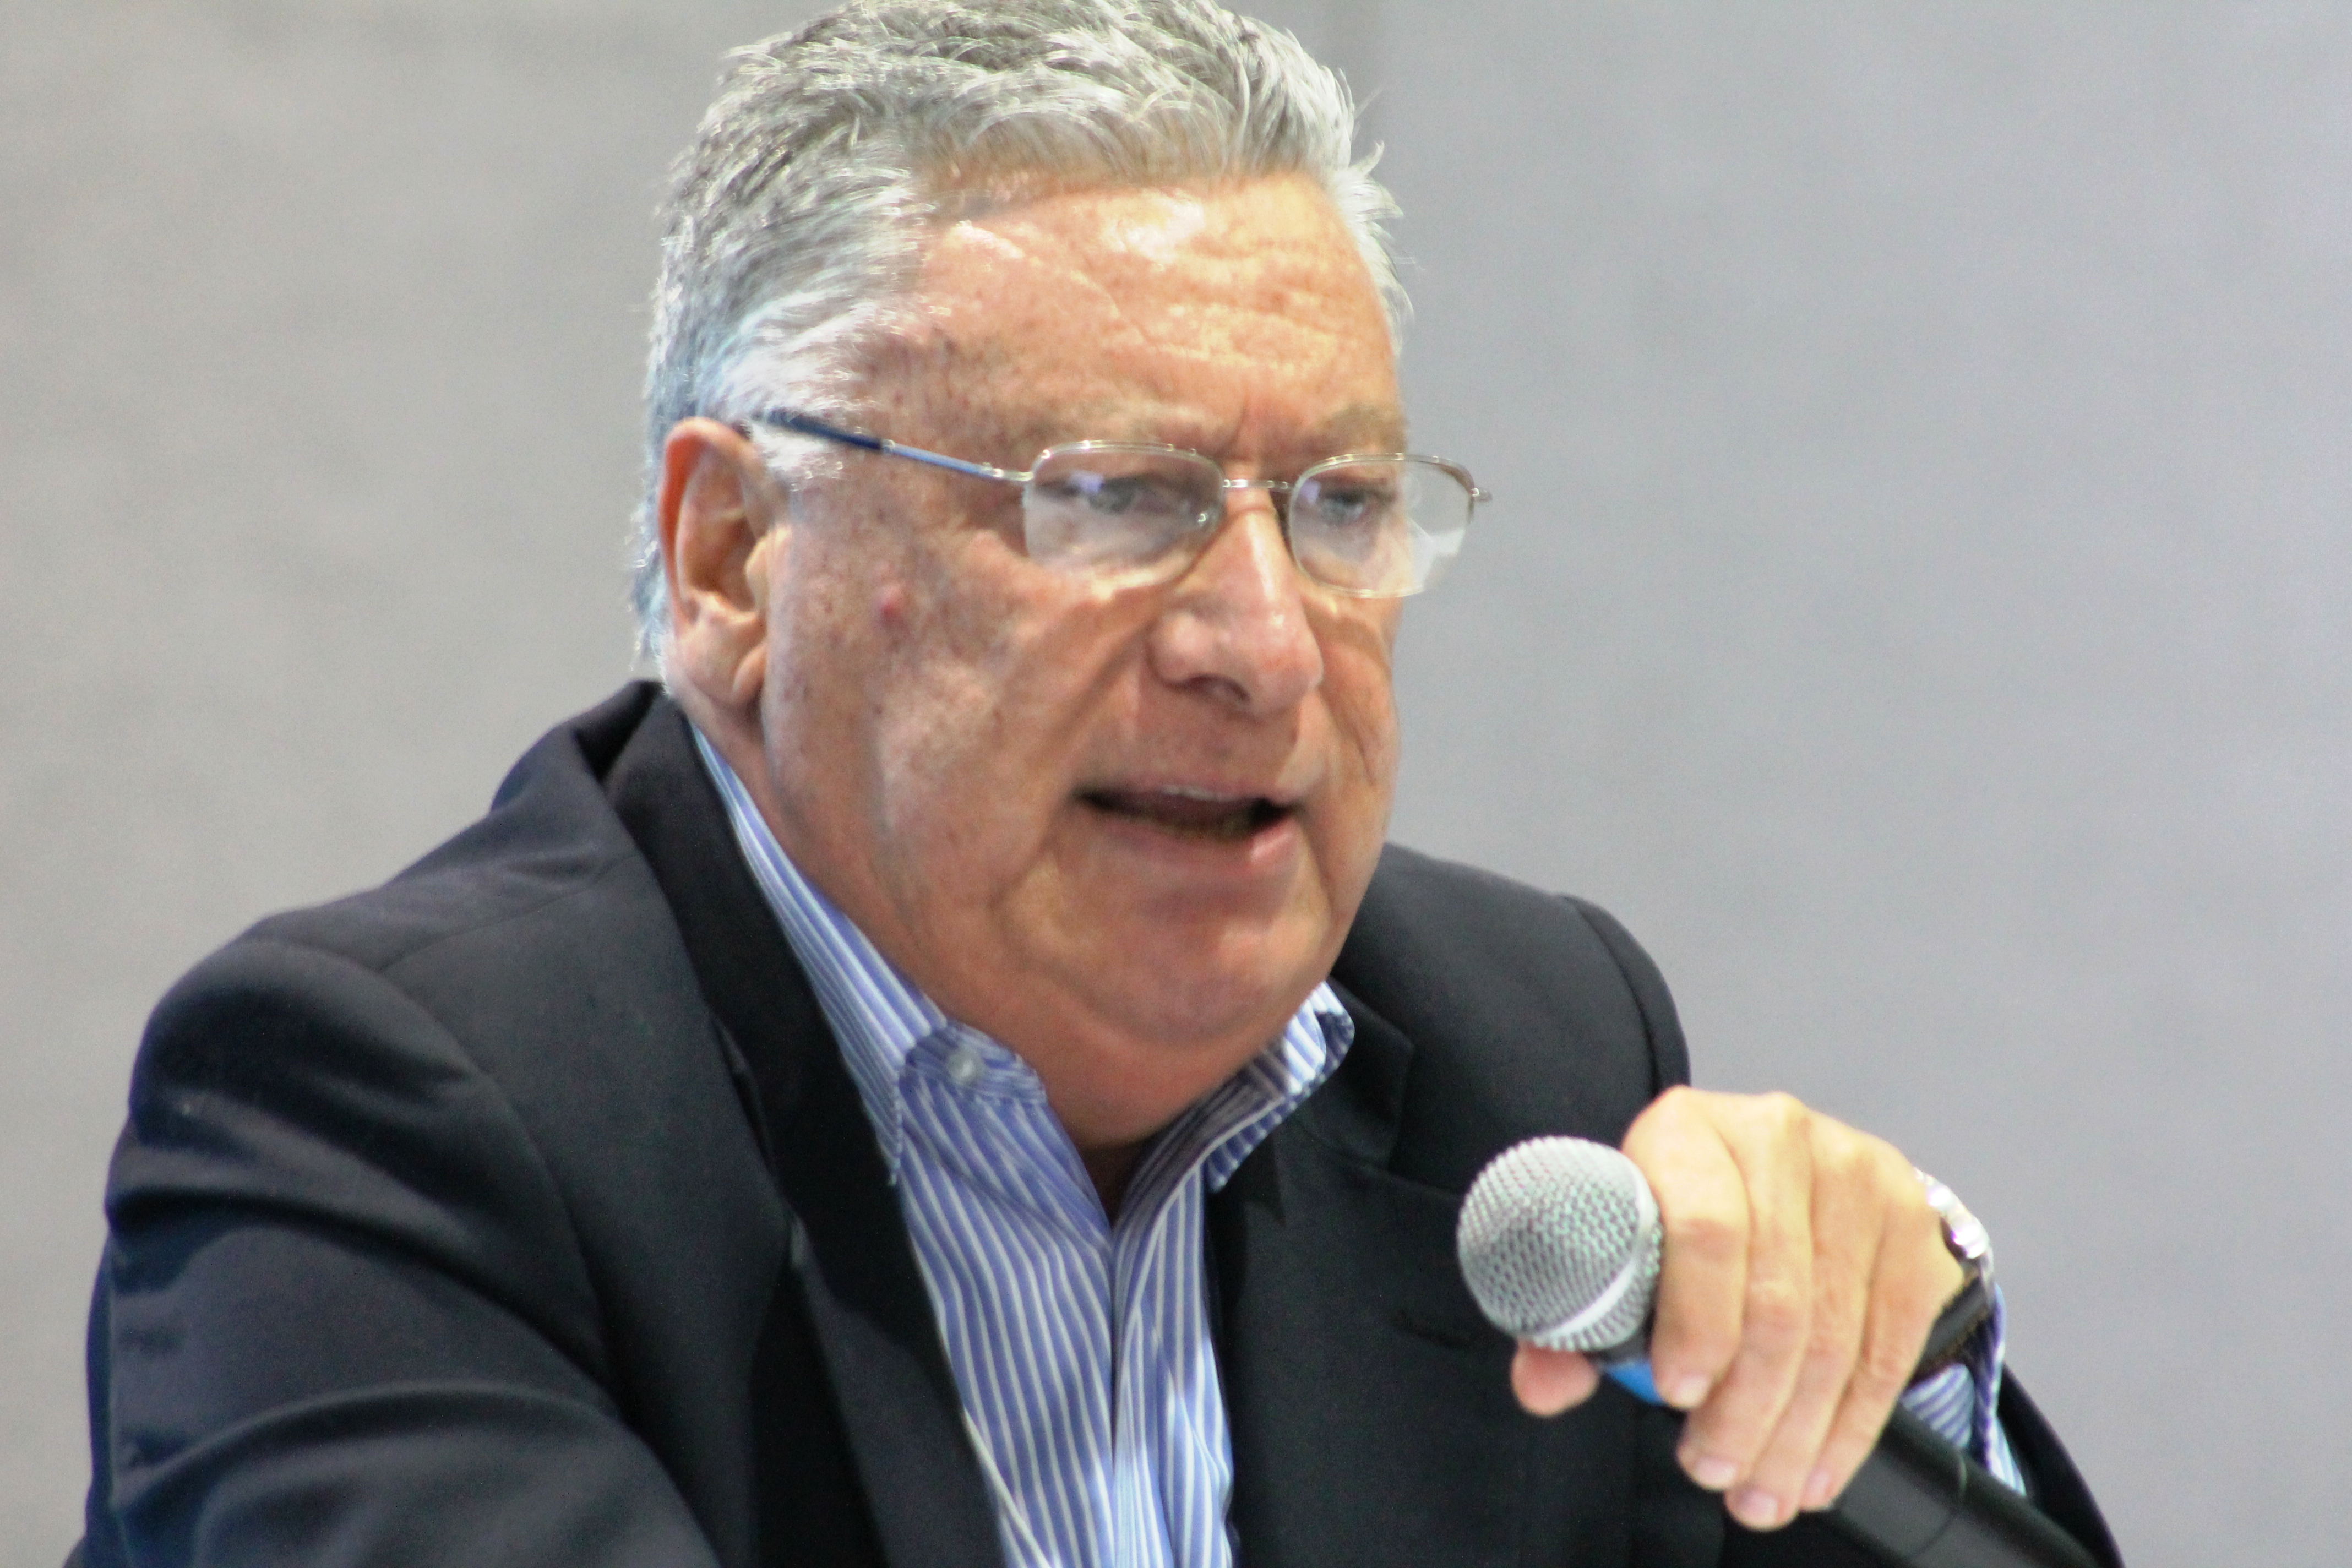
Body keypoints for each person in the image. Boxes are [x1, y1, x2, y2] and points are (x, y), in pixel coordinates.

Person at [79, 4, 2117, 1565]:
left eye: (1340, 506)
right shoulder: (381, 1129)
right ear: (736, 562)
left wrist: (1886, 1358)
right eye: (1114, 498)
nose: (1263, 641)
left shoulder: (1525, 1060)